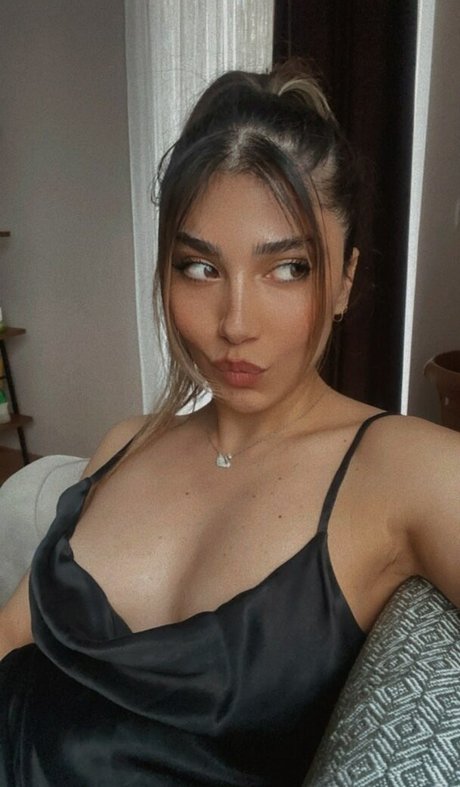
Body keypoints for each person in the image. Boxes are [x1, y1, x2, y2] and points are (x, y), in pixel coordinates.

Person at [0, 61, 459, 787]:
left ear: (345, 279)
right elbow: (10, 637)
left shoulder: (403, 469)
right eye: (200, 267)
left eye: (289, 268)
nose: (235, 324)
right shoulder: (125, 443)